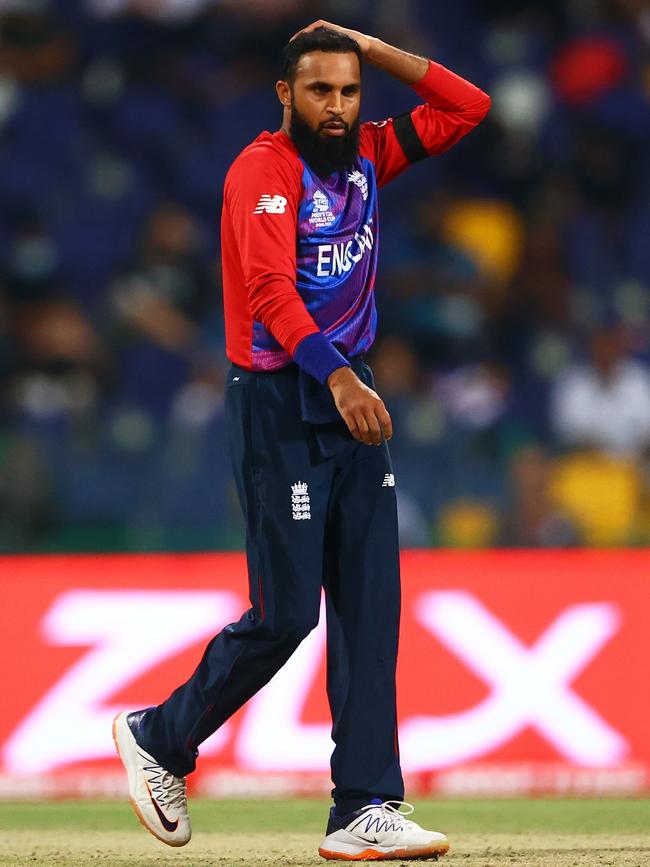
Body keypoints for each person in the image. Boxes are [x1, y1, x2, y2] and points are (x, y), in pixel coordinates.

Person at [113, 20, 490, 861]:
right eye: (321, 90)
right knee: (285, 613)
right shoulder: (263, 172)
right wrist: (343, 377)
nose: (338, 106)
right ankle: (158, 735)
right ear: (286, 93)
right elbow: (271, 295)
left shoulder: (367, 157)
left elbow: (468, 108)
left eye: (351, 91)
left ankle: (363, 805)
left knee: (369, 607)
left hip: (348, 399)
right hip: (287, 400)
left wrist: (379, 50)